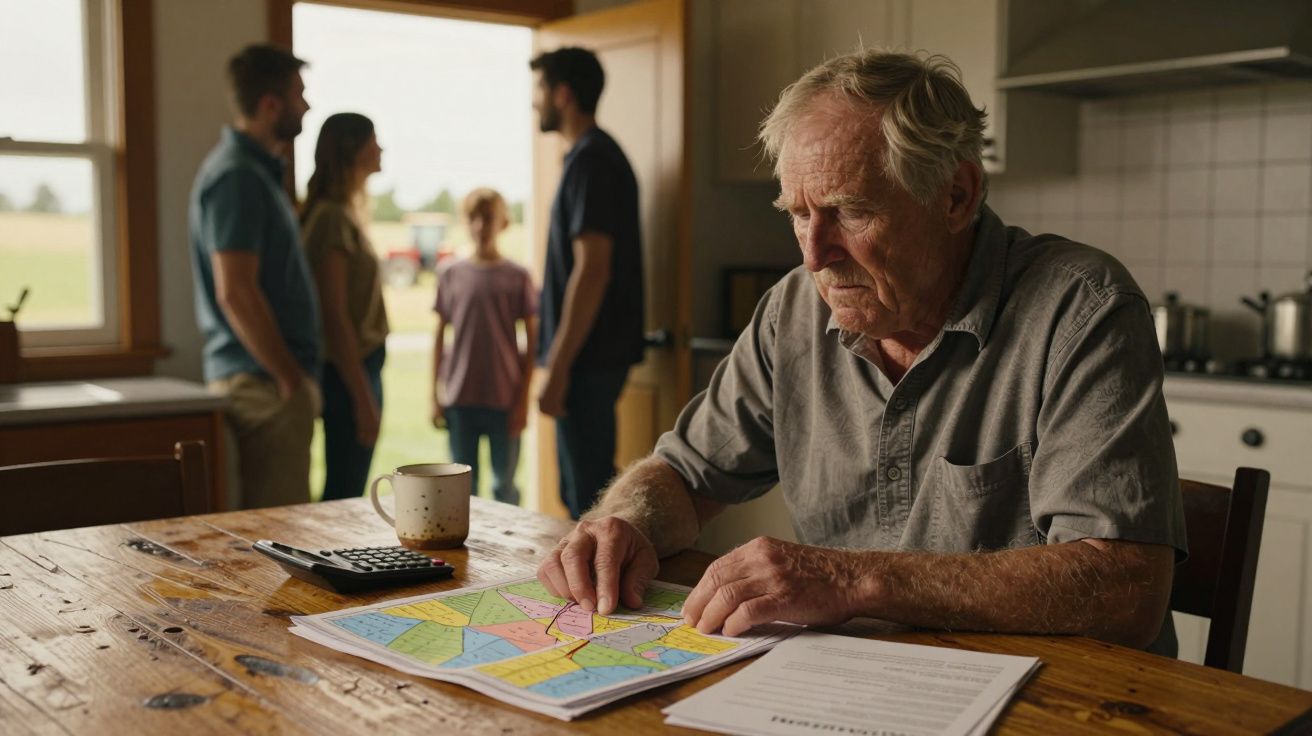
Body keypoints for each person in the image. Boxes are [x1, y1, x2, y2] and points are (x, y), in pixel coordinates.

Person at [536, 49, 1188, 655]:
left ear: (957, 195)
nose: (814, 255)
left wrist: (850, 580)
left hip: (1057, 700)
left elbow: (1123, 584)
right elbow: (683, 474)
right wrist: (622, 524)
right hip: (853, 688)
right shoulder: (792, 310)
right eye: (797, 213)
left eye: (849, 211)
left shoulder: (1080, 308)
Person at [189, 44, 320, 509]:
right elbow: (236, 292)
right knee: (278, 534)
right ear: (270, 104)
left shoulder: (255, 174)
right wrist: (288, 378)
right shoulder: (238, 177)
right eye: (299, 95)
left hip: (266, 380)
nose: (306, 106)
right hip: (263, 384)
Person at [531, 47, 645, 520]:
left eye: (539, 91)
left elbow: (592, 269)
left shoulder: (591, 160)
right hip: (593, 359)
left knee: (589, 503)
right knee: (586, 494)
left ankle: (600, 595)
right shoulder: (590, 156)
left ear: (563, 94)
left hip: (587, 361)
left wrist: (558, 367)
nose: (534, 103)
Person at [301, 112, 390, 501]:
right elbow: (333, 315)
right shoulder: (331, 218)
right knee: (344, 492)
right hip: (348, 373)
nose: (381, 148)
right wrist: (361, 396)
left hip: (359, 368)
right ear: (354, 149)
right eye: (374, 140)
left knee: (348, 485)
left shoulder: (344, 213)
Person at [431, 188, 538, 506]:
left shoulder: (517, 276)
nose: (481, 225)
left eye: (488, 218)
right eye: (474, 218)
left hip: (504, 398)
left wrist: (522, 400)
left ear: (503, 222)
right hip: (460, 398)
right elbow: (439, 337)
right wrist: (435, 395)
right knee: (461, 488)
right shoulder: (450, 273)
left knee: (504, 485)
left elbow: (531, 344)